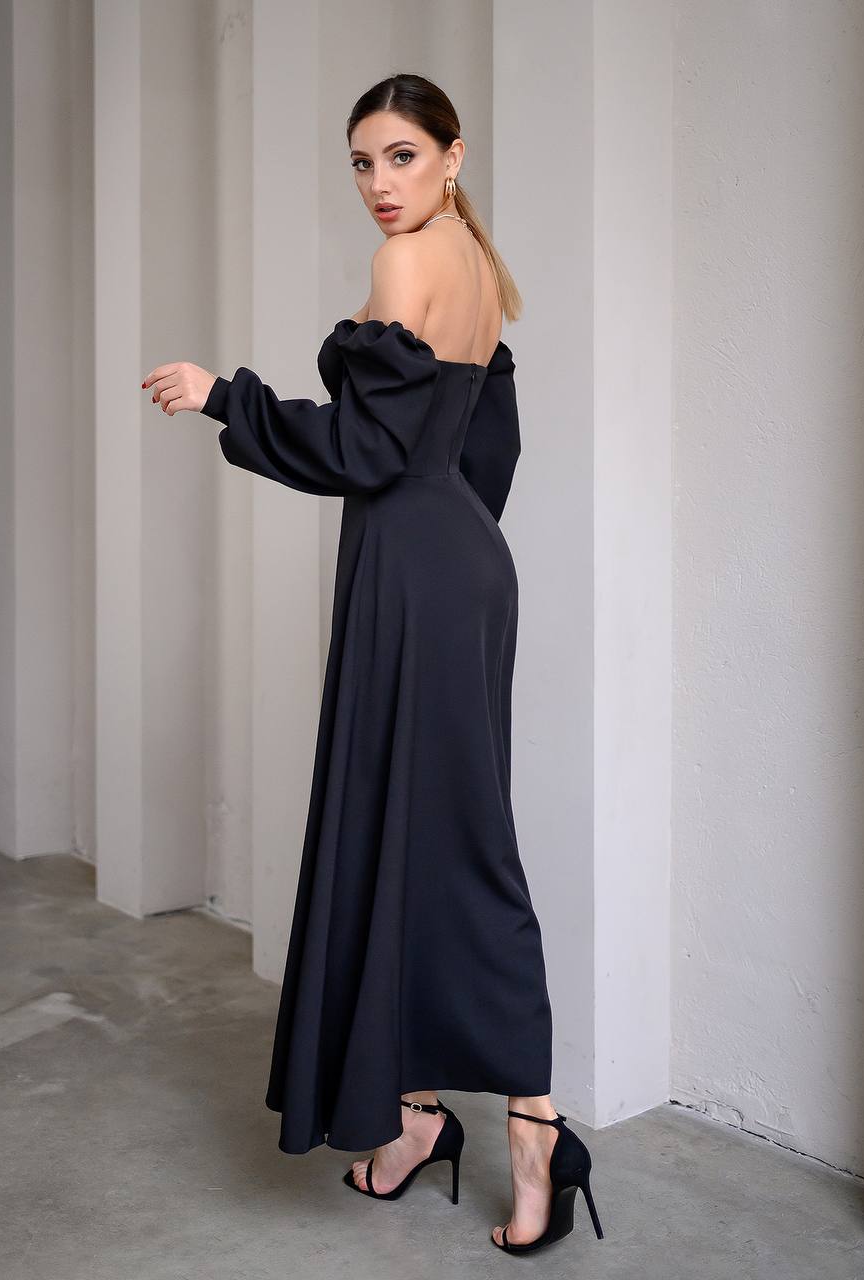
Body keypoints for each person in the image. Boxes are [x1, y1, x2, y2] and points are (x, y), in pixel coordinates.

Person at [142, 72, 602, 1259]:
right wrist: (448, 533)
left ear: (452, 156)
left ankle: (539, 1126)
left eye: (399, 156)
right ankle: (412, 1117)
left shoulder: (411, 265)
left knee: (453, 847)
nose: (377, 185)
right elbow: (482, 441)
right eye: (360, 163)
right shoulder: (475, 267)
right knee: (419, 832)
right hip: (449, 564)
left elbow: (361, 443)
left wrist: (221, 398)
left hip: (418, 576)